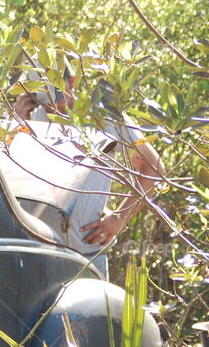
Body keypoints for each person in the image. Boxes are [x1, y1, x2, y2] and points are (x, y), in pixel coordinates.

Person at [9, 70, 164, 277]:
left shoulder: (103, 115)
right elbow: (8, 177)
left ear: (72, 81)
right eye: (40, 88)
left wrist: (118, 218)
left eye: (54, 86)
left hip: (86, 253)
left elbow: (153, 169)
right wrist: (16, 126)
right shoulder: (29, 119)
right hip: (38, 253)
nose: (49, 96)